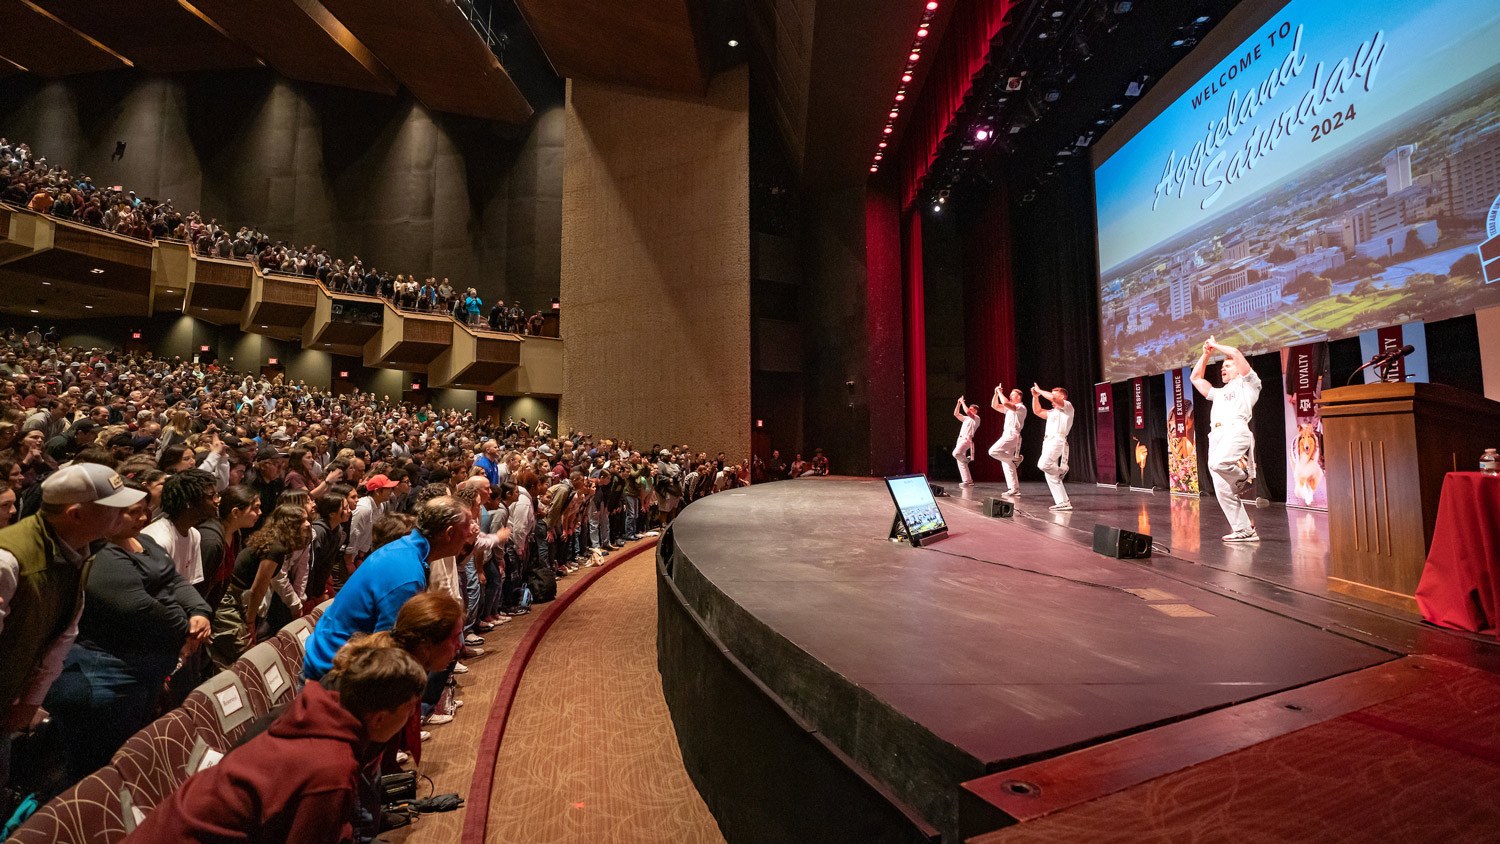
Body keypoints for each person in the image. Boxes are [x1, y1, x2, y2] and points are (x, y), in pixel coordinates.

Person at [122, 642, 427, 844]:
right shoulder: (330, 767)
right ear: (379, 718)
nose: (412, 716)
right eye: (410, 708)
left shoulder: (312, 712)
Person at [44, 481, 212, 780]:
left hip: (143, 669)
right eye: (133, 513)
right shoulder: (101, 556)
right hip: (109, 675)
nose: (145, 518)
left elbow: (174, 581)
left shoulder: (145, 543)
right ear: (106, 516)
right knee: (96, 768)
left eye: (145, 511)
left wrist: (200, 611)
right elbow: (141, 607)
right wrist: (187, 627)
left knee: (128, 750)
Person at [0, 464, 144, 789]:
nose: (127, 513)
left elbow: (64, 635)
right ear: (76, 515)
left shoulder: (78, 551)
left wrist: (31, 701)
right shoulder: (8, 561)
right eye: (114, 508)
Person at [303, 496, 476, 680]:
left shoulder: (405, 549)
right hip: (331, 674)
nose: (468, 536)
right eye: (466, 530)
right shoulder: (407, 575)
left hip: (337, 661)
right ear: (449, 533)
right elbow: (387, 651)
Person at [1190, 337, 1262, 542]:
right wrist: (1206, 354)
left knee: (1217, 463)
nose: (1223, 369)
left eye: (1228, 366)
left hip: (1236, 431)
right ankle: (1244, 530)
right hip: (1217, 437)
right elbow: (1195, 378)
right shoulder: (1219, 393)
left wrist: (1216, 346)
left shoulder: (1249, 385)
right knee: (1223, 491)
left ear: (1239, 369)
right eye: (1222, 366)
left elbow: (1238, 354)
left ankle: (1242, 479)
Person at [1030, 383, 1074, 511]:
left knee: (1043, 464)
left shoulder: (1068, 406)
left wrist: (1039, 390)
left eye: (1054, 395)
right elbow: (1037, 411)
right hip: (1048, 442)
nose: (1051, 398)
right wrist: (1035, 397)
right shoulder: (1052, 412)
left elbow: (1053, 399)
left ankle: (1062, 470)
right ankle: (1063, 501)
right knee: (1050, 475)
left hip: (1058, 440)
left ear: (1062, 397)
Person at [988, 384, 1027, 497]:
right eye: (1010, 395)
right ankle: (1014, 489)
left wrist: (1000, 392)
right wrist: (996, 393)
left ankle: (1015, 459)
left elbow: (1005, 403)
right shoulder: (1009, 409)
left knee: (992, 451)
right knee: (1006, 463)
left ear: (1019, 397)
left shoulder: (1021, 407)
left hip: (1012, 435)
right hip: (1008, 434)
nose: (1010, 397)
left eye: (1012, 395)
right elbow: (994, 405)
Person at [952, 396, 980, 487]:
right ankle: (968, 481)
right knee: (960, 461)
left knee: (956, 454)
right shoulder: (966, 418)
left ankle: (966, 460)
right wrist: (959, 403)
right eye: (970, 408)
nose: (969, 410)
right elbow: (956, 414)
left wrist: (963, 403)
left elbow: (967, 411)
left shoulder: (976, 418)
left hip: (967, 439)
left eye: (972, 409)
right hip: (960, 439)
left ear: (975, 411)